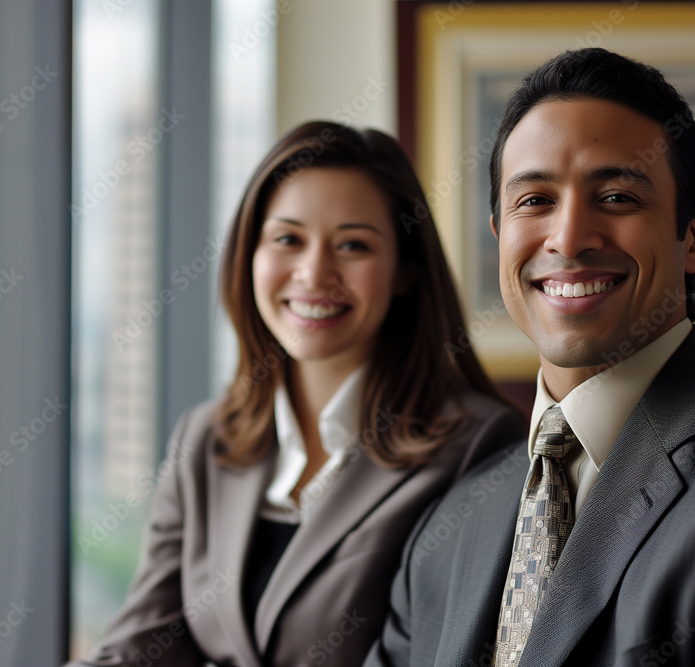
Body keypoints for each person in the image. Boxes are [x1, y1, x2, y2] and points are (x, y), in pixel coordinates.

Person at [364, 48, 695, 667]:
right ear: (500, 235)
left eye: (616, 197)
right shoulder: (447, 530)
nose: (567, 237)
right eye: (533, 201)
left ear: (693, 238)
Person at [67, 121, 524, 667]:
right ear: (250, 256)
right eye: (287, 239)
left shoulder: (481, 445)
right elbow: (143, 643)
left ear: (405, 271)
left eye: (353, 245)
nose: (313, 273)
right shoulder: (205, 440)